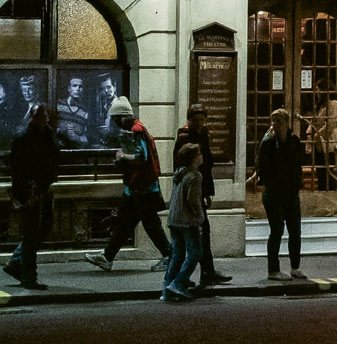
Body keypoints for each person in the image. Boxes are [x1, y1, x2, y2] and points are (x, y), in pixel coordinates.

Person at [86, 95, 171, 272]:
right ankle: (107, 257)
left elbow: (141, 157)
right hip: (138, 187)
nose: (115, 123)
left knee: (145, 224)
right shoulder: (135, 129)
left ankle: (169, 256)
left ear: (124, 116)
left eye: (117, 119)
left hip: (142, 187)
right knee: (127, 223)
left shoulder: (136, 130)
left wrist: (122, 157)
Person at [175, 103, 231, 287]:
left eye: (202, 119)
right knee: (195, 234)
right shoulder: (184, 137)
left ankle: (206, 271)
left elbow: (207, 165)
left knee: (202, 233)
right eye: (196, 120)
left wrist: (208, 192)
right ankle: (186, 276)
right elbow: (179, 166)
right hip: (190, 190)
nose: (199, 123)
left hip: (200, 187)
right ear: (189, 120)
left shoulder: (203, 134)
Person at [5, 100, 60, 289]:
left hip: (42, 188)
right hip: (29, 190)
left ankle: (16, 262)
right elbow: (17, 167)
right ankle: (29, 277)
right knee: (31, 233)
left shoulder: (47, 134)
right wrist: (26, 191)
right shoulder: (23, 137)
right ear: (32, 118)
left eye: (44, 116)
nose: (44, 120)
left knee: (44, 227)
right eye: (40, 116)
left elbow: (52, 158)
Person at [255, 106, 307, 280]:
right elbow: (262, 165)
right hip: (274, 193)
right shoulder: (268, 141)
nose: (275, 124)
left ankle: (295, 267)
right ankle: (273, 270)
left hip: (291, 192)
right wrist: (269, 184)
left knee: (295, 231)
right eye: (273, 121)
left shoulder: (293, 140)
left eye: (279, 120)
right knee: (277, 230)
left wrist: (297, 182)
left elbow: (299, 161)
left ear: (286, 122)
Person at [161, 140, 205, 302]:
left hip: (174, 219)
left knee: (177, 255)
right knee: (195, 253)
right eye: (199, 154)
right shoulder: (195, 176)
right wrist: (200, 217)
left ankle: (166, 289)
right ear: (193, 158)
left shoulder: (179, 173)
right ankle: (178, 283)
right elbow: (193, 200)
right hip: (187, 221)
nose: (201, 156)